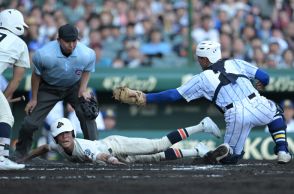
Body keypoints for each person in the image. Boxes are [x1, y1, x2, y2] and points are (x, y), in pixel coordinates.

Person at [113, 40, 292, 164]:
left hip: (235, 113)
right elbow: (265, 77)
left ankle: (224, 153)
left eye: (200, 58)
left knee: (231, 159)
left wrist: (146, 97)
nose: (198, 61)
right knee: (275, 112)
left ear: (206, 59)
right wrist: (263, 84)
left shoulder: (202, 78)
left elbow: (174, 95)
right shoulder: (236, 62)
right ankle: (283, 151)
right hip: (257, 103)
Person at [15, 24, 98, 157]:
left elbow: (87, 70)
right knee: (30, 123)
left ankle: (94, 151)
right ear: (59, 39)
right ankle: (20, 154)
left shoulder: (87, 53)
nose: (71, 45)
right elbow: (36, 76)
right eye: (67, 41)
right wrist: (34, 98)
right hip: (49, 88)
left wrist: (82, 90)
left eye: (74, 41)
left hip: (73, 86)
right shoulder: (44, 54)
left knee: (87, 113)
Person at [19, 117, 229, 165]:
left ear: (72, 134)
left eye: (66, 133)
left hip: (116, 147)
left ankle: (202, 126)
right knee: (156, 157)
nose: (63, 137)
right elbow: (44, 147)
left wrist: (114, 163)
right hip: (115, 155)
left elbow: (101, 155)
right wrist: (25, 158)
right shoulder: (59, 145)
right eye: (60, 135)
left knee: (158, 144)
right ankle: (197, 151)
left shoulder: (83, 147)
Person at [0, 9, 30, 170]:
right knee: (5, 116)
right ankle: (1, 158)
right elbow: (16, 80)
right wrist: (4, 98)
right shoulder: (20, 44)